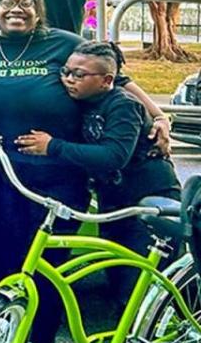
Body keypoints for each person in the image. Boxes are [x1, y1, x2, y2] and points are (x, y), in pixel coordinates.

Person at [0, 0, 170, 343]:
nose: (16, 10)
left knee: (46, 264)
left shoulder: (63, 44)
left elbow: (120, 80)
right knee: (5, 259)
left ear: (38, 8)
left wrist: (160, 114)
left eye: (25, 3)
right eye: (7, 2)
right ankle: (5, 334)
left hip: (58, 178)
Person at [15, 41, 181, 294]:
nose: (69, 79)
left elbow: (114, 156)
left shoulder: (123, 105)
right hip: (114, 200)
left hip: (148, 200)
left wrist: (53, 146)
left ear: (106, 81)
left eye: (79, 75)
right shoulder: (83, 99)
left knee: (139, 283)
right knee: (116, 275)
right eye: (66, 72)